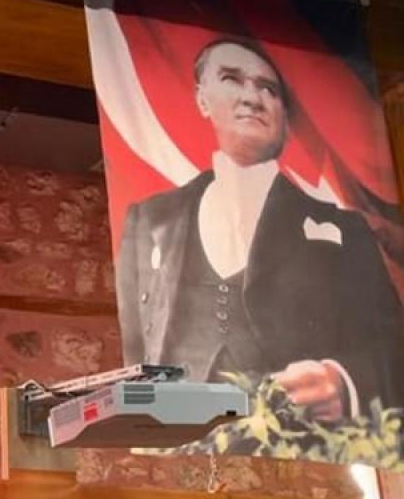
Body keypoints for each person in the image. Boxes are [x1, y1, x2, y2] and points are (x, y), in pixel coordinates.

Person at [116, 36, 404, 422]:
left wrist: (342, 380)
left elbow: (392, 345)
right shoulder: (150, 220)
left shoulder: (344, 230)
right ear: (202, 99)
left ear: (285, 114)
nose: (253, 98)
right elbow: (133, 347)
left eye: (268, 88)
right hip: (180, 437)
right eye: (232, 79)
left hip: (299, 439)